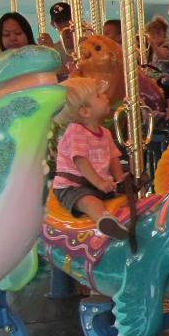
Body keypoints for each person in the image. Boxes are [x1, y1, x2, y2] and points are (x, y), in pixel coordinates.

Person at [52, 76, 129, 239]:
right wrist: (100, 183)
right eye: (99, 96)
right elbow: (80, 161)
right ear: (85, 111)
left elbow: (113, 157)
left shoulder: (105, 133)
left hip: (96, 184)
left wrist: (120, 178)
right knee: (90, 202)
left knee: (125, 198)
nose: (106, 96)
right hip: (73, 186)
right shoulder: (76, 131)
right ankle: (104, 222)